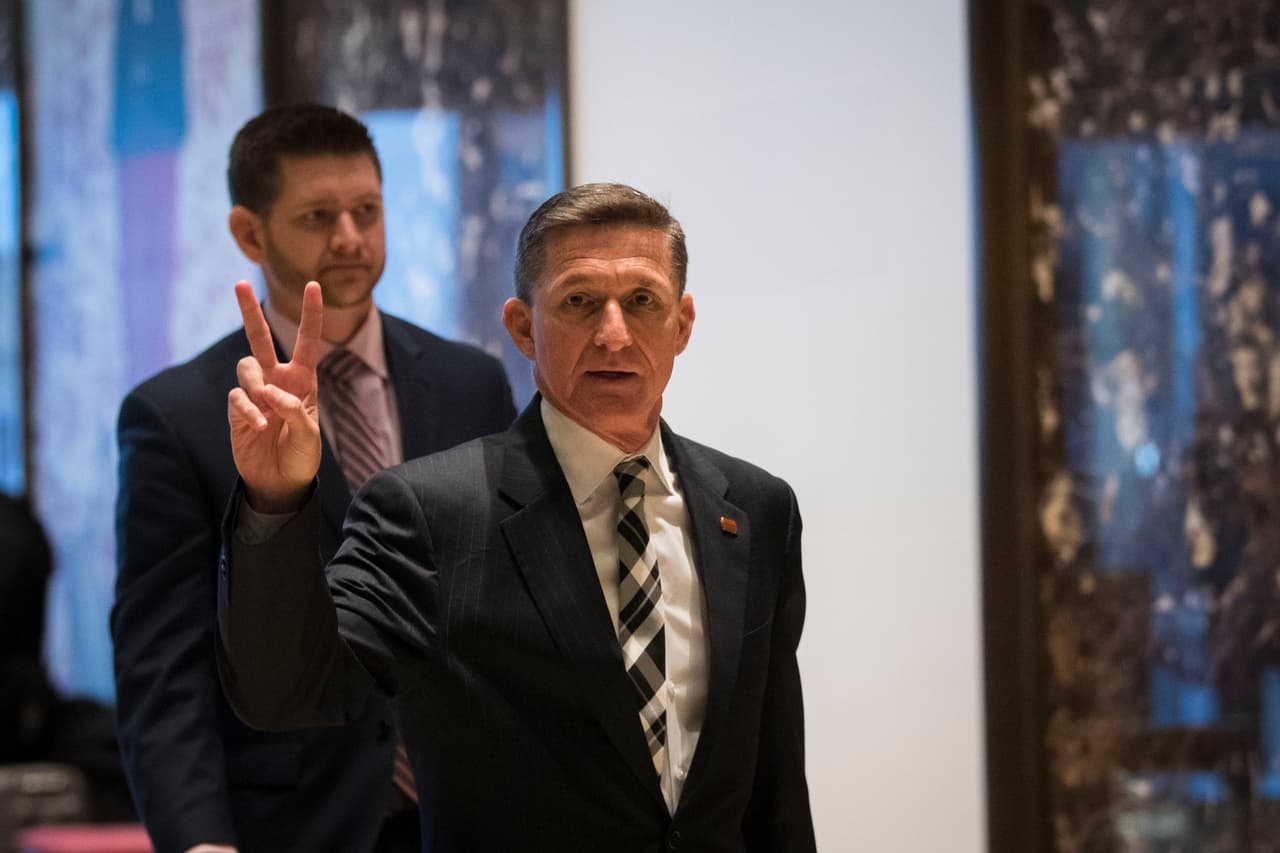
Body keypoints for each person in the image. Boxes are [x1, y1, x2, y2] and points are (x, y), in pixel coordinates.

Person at [217, 183, 815, 851]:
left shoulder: (756, 509)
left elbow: (775, 782)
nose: (613, 333)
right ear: (523, 327)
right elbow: (287, 691)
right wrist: (276, 500)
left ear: (681, 324)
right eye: (579, 302)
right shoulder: (430, 512)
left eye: (642, 302)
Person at [111, 104, 516, 853]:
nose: (352, 238)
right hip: (292, 823)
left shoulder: (472, 384)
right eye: (319, 215)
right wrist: (199, 839)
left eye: (367, 210)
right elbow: (163, 662)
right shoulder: (177, 414)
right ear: (249, 233)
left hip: (467, 813)